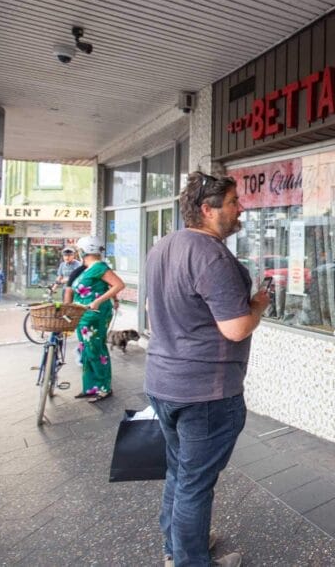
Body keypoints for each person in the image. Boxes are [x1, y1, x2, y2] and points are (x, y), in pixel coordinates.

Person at [144, 171, 269, 567]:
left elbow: (150, 310)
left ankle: (178, 547)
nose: (240, 208)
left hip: (163, 383)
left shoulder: (163, 246)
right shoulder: (211, 255)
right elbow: (236, 329)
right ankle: (190, 560)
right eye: (233, 202)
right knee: (195, 484)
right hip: (205, 393)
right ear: (207, 209)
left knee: (179, 472)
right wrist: (258, 305)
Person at [65, 236, 124, 402]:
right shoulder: (87, 268)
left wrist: (98, 301)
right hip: (83, 315)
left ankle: (104, 388)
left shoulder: (99, 267)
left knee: (96, 350)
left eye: (79, 250)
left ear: (84, 251)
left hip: (95, 315)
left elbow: (119, 284)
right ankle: (90, 387)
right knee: (86, 350)